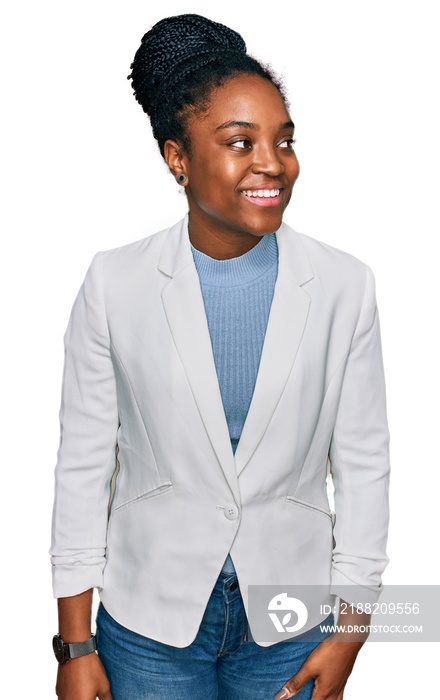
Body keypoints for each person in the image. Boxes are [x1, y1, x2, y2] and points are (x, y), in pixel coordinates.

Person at [50, 13, 390, 700]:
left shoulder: (345, 284)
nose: (272, 163)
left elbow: (364, 467)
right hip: (149, 621)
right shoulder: (113, 283)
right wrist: (74, 644)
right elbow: (84, 467)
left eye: (284, 141)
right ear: (178, 158)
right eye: (241, 142)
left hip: (290, 617)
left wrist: (350, 633)